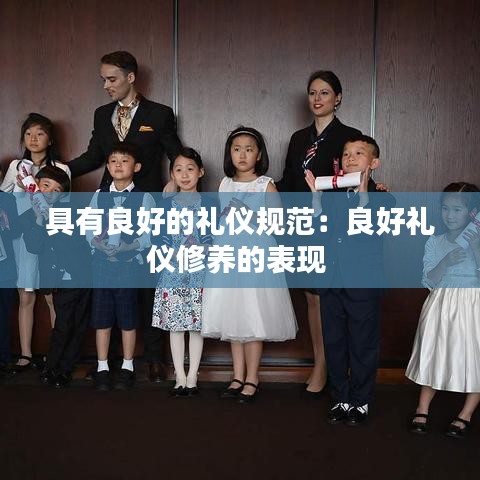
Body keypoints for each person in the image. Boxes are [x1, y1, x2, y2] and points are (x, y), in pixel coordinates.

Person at [68, 50, 183, 382]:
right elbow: (93, 156)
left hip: (147, 205)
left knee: (147, 284)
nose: (106, 85)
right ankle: (110, 361)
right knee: (109, 285)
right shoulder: (102, 114)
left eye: (111, 79)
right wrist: (58, 170)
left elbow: (175, 152)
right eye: (103, 79)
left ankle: (153, 358)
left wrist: (175, 181)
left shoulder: (159, 114)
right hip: (109, 206)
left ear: (130, 78)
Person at [277, 71, 362, 395]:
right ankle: (321, 362)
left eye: (324, 93)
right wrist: (258, 186)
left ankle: (335, 366)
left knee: (332, 297)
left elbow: (357, 177)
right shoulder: (299, 138)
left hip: (334, 224)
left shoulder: (350, 136)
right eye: (313, 92)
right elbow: (288, 181)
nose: (317, 98)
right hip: (302, 224)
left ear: (337, 98)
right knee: (312, 296)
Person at [202, 126, 298, 403]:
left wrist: (248, 214)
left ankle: (252, 377)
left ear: (259, 155)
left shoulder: (265, 185)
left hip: (256, 256)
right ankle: (237, 375)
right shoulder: (225, 184)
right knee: (232, 315)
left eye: (249, 149)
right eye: (236, 149)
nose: (242, 155)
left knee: (253, 315)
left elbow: (278, 226)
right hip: (228, 255)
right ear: (229, 154)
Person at [305, 134, 393, 425]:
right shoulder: (331, 196)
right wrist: (316, 199)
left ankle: (360, 400)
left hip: (363, 285)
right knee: (334, 342)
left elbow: (371, 232)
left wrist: (364, 196)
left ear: (374, 163)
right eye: (346, 154)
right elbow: (318, 233)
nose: (351, 158)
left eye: (358, 153)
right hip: (332, 281)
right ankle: (340, 398)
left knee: (363, 344)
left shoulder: (384, 198)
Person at [406, 182, 480, 439]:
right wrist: (445, 261)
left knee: (474, 355)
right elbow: (429, 279)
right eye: (445, 208)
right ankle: (422, 407)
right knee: (435, 351)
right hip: (441, 303)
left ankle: (466, 413)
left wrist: (475, 248)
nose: (450, 215)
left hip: (473, 305)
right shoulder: (435, 241)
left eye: (457, 210)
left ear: (472, 213)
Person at [0, 113, 71, 372]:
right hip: (22, 238)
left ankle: (56, 354)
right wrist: (22, 188)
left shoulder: (61, 169)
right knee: (26, 295)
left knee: (53, 297)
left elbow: (65, 205)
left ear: (50, 140)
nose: (33, 138)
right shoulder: (16, 167)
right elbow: (4, 199)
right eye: (28, 134)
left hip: (51, 238)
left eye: (40, 134)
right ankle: (26, 355)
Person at [86, 143, 155, 391]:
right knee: (102, 317)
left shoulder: (145, 198)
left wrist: (127, 247)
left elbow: (147, 235)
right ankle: (102, 367)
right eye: (113, 160)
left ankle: (127, 366)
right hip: (102, 264)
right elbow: (89, 228)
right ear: (107, 166)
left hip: (129, 265)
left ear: (136, 167)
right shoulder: (99, 195)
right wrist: (99, 244)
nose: (118, 165)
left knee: (128, 316)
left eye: (124, 160)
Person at [152, 149, 215, 396]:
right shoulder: (165, 205)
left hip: (201, 271)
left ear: (201, 172)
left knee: (197, 326)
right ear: (172, 175)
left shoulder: (210, 203)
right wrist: (171, 253)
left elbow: (217, 236)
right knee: (175, 326)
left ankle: (192, 376)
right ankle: (179, 375)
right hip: (173, 271)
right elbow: (157, 238)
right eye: (178, 169)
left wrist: (204, 249)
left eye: (190, 169)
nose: (185, 174)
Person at [22, 166, 92, 388]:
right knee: (63, 324)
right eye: (46, 186)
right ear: (36, 186)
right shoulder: (31, 215)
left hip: (82, 275)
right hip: (59, 280)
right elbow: (33, 247)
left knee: (79, 324)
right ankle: (52, 367)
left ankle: (64, 369)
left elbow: (80, 241)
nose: (50, 192)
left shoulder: (70, 211)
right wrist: (39, 218)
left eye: (57, 190)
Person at [0, 190, 19, 379]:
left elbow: (15, 231)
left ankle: (4, 358)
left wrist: (5, 222)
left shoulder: (7, 199)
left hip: (4, 267)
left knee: (4, 316)